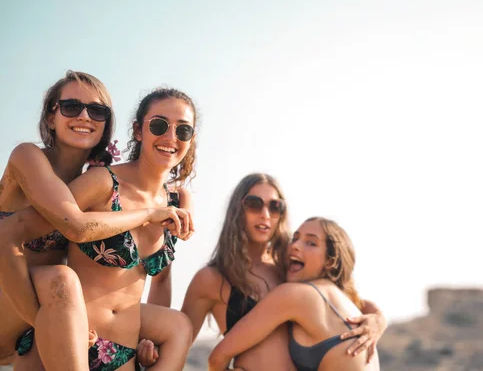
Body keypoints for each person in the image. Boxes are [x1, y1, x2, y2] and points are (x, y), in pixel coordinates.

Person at [0, 76, 193, 370]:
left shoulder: (174, 200)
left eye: (96, 111)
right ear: (51, 116)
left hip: (108, 336)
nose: (84, 117)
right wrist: (46, 321)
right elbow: (70, 227)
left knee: (179, 325)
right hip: (21, 302)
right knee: (61, 280)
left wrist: (147, 342)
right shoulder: (46, 163)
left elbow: (162, 278)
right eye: (71, 106)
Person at [177, 174, 385, 371]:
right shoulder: (213, 278)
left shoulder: (289, 270)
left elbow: (351, 302)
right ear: (237, 210)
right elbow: (179, 344)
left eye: (275, 206)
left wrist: (378, 320)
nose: (265, 214)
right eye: (254, 204)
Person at [208, 217, 380, 371]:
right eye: (295, 238)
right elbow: (367, 305)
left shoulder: (293, 294)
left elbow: (217, 358)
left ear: (330, 260)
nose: (295, 246)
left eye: (311, 243)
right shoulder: (345, 301)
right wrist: (379, 318)